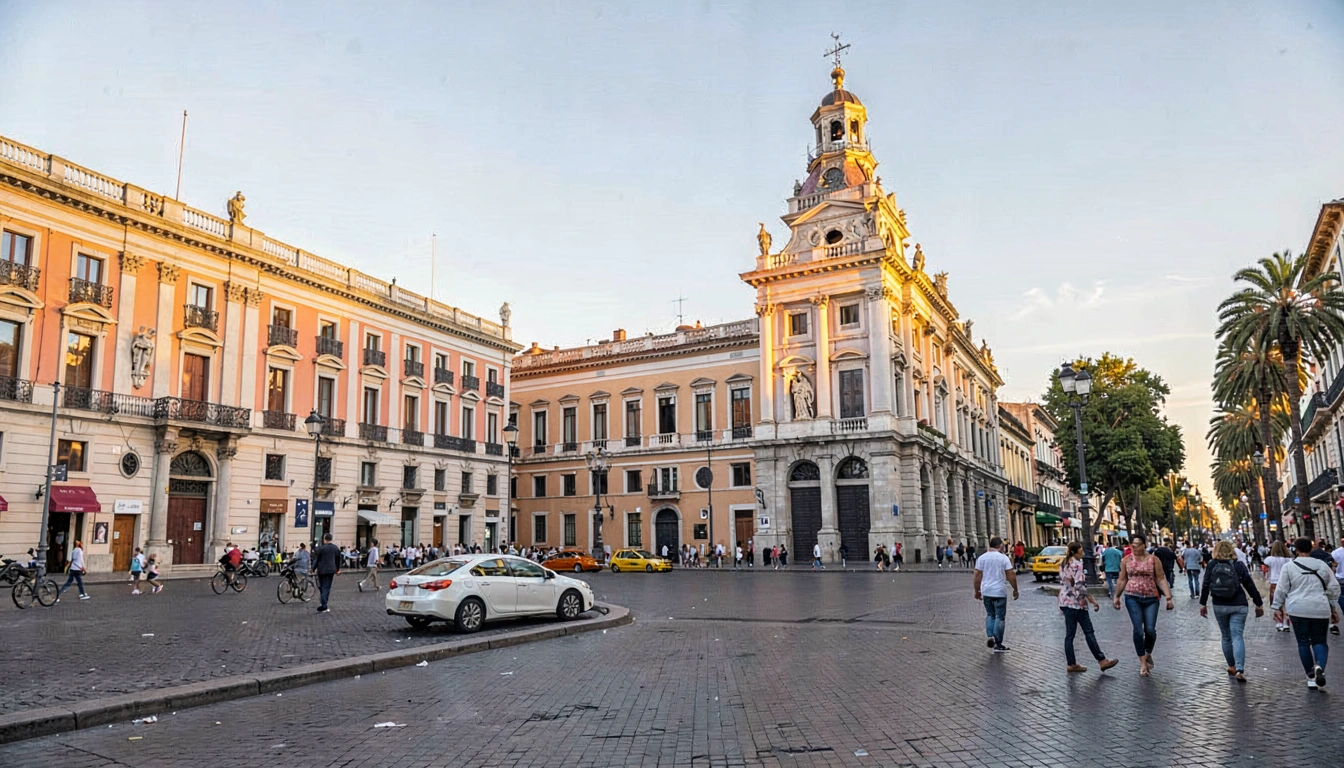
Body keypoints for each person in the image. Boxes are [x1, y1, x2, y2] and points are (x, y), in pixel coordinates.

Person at [1272, 537, 1342, 690]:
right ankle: (1320, 667)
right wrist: (1332, 606)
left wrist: (1277, 607)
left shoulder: (1289, 567)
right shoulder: (1322, 565)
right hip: (1320, 608)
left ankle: (1310, 676)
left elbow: (1281, 589)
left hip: (1297, 609)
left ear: (1295, 550)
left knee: (1303, 642)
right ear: (1311, 549)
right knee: (1320, 641)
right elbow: (1334, 588)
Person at [1199, 539, 1264, 682]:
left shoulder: (1212, 565)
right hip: (1239, 604)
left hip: (1219, 605)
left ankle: (1231, 666)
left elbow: (1206, 584)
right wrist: (1258, 603)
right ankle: (1240, 669)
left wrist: (1203, 604)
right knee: (1237, 636)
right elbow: (1249, 585)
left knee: (1226, 636)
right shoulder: (1238, 565)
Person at [1111, 533, 1174, 677]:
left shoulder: (1154, 560)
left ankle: (1148, 652)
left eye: (1137, 545)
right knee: (1138, 630)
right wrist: (1116, 596)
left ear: (1144, 545)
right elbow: (1122, 579)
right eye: (1132, 545)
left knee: (1150, 630)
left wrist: (1168, 597)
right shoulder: (1126, 560)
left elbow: (1160, 578)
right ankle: (1143, 663)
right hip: (1132, 597)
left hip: (1151, 598)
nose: (1134, 548)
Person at [1057, 541, 1119, 673]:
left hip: (1065, 601)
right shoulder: (1077, 565)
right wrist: (1090, 600)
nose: (1083, 553)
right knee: (1089, 632)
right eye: (1081, 551)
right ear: (1075, 552)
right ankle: (1102, 660)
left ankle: (1071, 663)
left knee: (1069, 635)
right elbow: (1079, 586)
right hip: (1077, 603)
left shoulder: (1063, 564)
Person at [973, 536, 1018, 653]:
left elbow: (977, 575)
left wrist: (977, 590)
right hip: (999, 591)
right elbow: (1011, 575)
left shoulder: (982, 558)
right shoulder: (1003, 558)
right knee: (999, 617)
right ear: (1000, 546)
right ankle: (998, 643)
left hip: (986, 591)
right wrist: (1015, 589)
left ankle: (990, 636)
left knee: (990, 614)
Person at [1264, 540, 1293, 631]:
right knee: (1286, 603)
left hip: (1274, 583)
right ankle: (1286, 623)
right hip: (1286, 582)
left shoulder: (1270, 559)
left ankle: (1279, 623)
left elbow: (1265, 565)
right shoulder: (1289, 560)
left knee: (1276, 603)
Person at [313, 533, 342, 613]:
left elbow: (317, 559)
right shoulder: (335, 548)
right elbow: (338, 560)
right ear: (331, 539)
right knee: (326, 587)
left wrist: (313, 568)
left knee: (322, 586)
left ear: (324, 539)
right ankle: (324, 604)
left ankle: (323, 603)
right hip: (330, 570)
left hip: (321, 569)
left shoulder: (322, 548)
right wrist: (337, 569)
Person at [1332, 536, 1344, 636]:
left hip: (1340, 578)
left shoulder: (1336, 552)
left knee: (1342, 596)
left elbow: (1333, 565)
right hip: (1340, 578)